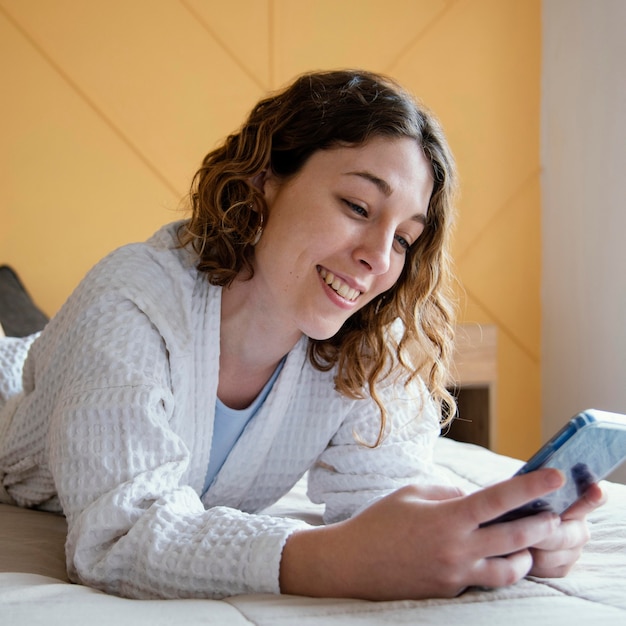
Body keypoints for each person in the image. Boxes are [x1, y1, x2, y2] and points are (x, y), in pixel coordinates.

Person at [0, 69, 604, 601]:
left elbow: (384, 498)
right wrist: (338, 559)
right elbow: (117, 537)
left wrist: (501, 535)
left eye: (403, 238)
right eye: (358, 206)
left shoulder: (367, 341)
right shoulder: (131, 301)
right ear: (265, 179)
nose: (377, 258)